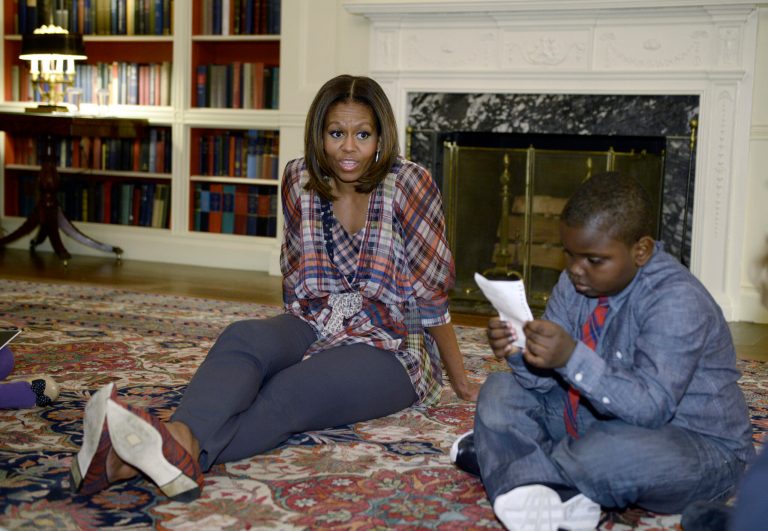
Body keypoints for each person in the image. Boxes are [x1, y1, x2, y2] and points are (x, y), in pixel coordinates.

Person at [69, 74, 479, 502]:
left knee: (290, 390)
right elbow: (295, 269)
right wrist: (279, 347)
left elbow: (432, 295)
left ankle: (134, 459)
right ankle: (172, 443)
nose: (349, 148)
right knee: (244, 337)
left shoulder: (411, 183)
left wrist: (461, 382)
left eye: (363, 134)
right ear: (319, 133)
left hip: (392, 343)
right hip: (317, 318)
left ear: (381, 136)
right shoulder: (298, 178)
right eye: (336, 133)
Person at [453, 172, 755, 530]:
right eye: (569, 254)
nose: (575, 270)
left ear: (640, 250)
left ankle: (515, 464)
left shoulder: (677, 301)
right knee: (500, 389)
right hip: (594, 422)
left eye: (594, 260)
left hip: (693, 445)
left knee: (613, 453)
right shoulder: (573, 281)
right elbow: (543, 385)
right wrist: (521, 351)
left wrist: (569, 357)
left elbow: (651, 409)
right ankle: (547, 479)